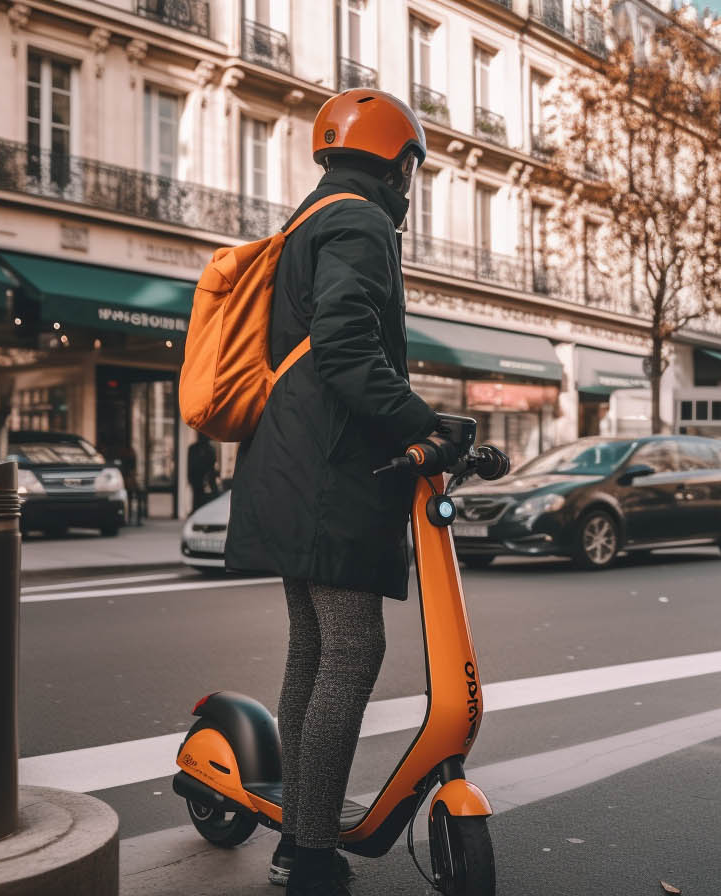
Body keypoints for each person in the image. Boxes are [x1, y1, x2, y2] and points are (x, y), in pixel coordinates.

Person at [225, 89, 451, 896]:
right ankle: (309, 851)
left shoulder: (307, 220)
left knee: (316, 649)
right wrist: (428, 423)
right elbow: (352, 352)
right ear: (395, 159)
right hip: (327, 472)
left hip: (288, 466)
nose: (410, 185)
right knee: (352, 651)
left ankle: (302, 825)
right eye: (411, 168)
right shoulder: (358, 222)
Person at [187, 434, 219, 512]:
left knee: (207, 498)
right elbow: (191, 464)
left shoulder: (210, 449)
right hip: (197, 478)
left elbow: (212, 464)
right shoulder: (194, 449)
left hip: (207, 478)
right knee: (197, 497)